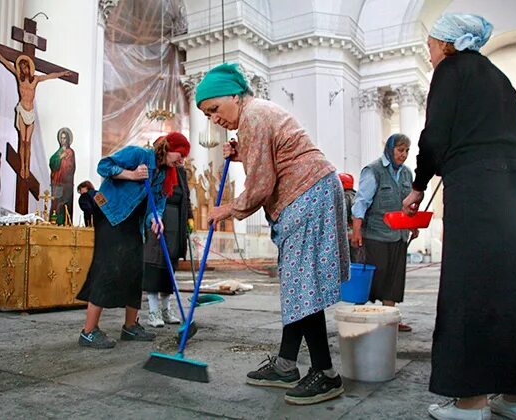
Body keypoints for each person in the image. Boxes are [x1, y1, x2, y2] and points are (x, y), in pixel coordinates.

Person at [401, 14, 516, 420]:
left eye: (429, 47)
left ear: (446, 44)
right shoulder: (498, 77)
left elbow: (435, 133)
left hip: (475, 189)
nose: (429, 56)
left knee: (470, 287)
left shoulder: (452, 71)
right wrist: (508, 169)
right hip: (513, 192)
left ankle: (471, 402)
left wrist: (419, 183)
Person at [196, 63, 350, 406]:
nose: (214, 119)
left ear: (235, 96)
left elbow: (262, 184)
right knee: (298, 285)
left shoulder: (254, 116)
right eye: (207, 114)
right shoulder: (257, 115)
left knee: (303, 286)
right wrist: (242, 155)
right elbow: (273, 158)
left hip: (307, 194)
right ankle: (285, 364)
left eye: (214, 109)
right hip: (311, 192)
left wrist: (229, 209)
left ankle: (325, 375)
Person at [75, 133, 190, 349]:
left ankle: (130, 326)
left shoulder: (167, 175)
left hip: (133, 223)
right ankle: (88, 331)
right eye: (180, 154)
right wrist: (131, 174)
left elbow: (159, 204)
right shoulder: (138, 155)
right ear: (168, 148)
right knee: (107, 268)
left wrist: (155, 218)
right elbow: (104, 166)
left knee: (136, 269)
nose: (182, 160)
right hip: (110, 213)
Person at [0, 36, 71, 179]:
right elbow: (2, 59)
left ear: (29, 67)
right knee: (23, 141)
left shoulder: (36, 80)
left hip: (30, 112)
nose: (23, 69)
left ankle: (28, 166)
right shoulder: (17, 75)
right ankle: (23, 167)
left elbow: (50, 76)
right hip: (22, 110)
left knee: (29, 142)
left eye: (25, 67)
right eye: (21, 67)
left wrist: (62, 73)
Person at [351, 134, 417, 332]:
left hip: (399, 235)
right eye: (400, 150)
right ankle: (358, 318)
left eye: (406, 151)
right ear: (390, 148)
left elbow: (408, 204)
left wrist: (413, 224)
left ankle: (389, 319)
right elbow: (361, 201)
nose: (403, 155)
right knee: (372, 276)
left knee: (395, 278)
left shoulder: (407, 174)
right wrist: (356, 230)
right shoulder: (374, 170)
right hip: (376, 234)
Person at [143, 135, 195, 328]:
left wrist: (189, 218)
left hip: (176, 223)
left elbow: (186, 197)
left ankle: (166, 309)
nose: (179, 159)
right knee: (154, 267)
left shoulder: (180, 172)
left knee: (169, 268)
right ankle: (153, 311)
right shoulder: (156, 170)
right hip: (157, 222)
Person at [49, 128, 76, 225]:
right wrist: (60, 157)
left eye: (64, 138)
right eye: (61, 138)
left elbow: (70, 167)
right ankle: (54, 221)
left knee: (64, 203)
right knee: (56, 204)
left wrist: (63, 161)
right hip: (57, 183)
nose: (62, 140)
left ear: (68, 139)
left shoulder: (70, 152)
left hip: (66, 184)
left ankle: (65, 222)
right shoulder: (58, 152)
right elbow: (52, 163)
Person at [338, 173, 357, 261]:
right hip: (357, 232)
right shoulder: (357, 195)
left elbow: (341, 217)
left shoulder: (343, 197)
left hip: (346, 233)